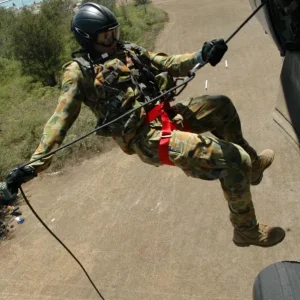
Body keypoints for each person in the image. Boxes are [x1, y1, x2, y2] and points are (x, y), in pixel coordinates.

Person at [6, 2, 285, 247]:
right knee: (232, 159)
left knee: (221, 105)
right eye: (106, 36)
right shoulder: (79, 72)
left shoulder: (128, 50)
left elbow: (167, 63)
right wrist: (34, 165)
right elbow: (59, 120)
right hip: (146, 138)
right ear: (89, 39)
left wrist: (203, 54)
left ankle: (253, 169)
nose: (113, 39)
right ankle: (245, 230)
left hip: (167, 114)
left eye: (114, 32)